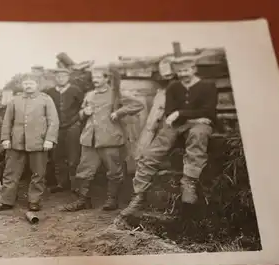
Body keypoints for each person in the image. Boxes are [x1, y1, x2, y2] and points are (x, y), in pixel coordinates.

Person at [116, 56, 218, 226]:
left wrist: (181, 114)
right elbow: (171, 111)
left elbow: (208, 111)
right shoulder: (173, 87)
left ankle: (189, 183)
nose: (183, 74)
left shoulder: (208, 86)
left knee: (198, 136)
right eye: (179, 71)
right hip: (179, 124)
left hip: (200, 124)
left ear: (194, 69)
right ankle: (138, 196)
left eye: (186, 70)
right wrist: (185, 116)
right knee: (151, 152)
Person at [61, 66, 144, 212]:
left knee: (114, 171)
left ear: (106, 78)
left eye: (99, 77)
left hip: (109, 138)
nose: (95, 80)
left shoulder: (115, 94)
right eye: (94, 77)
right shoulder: (90, 95)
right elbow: (81, 114)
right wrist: (84, 113)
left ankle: (112, 200)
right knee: (84, 171)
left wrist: (119, 112)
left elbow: (138, 105)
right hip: (89, 139)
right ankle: (83, 200)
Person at [0, 72, 60, 212]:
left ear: (37, 85)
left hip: (38, 142)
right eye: (26, 83)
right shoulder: (15, 100)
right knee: (10, 173)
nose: (28, 86)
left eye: (31, 83)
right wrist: (5, 139)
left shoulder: (46, 99)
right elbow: (7, 121)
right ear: (22, 85)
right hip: (16, 142)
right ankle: (5, 201)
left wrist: (49, 139)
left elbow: (53, 121)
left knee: (38, 174)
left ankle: (34, 201)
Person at [44, 68, 85, 193]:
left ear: (68, 77)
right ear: (55, 78)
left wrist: (78, 120)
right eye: (58, 76)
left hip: (73, 126)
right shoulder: (50, 92)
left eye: (63, 76)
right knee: (58, 156)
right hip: (56, 127)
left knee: (73, 157)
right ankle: (62, 183)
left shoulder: (75, 90)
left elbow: (83, 106)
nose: (60, 78)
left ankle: (76, 185)